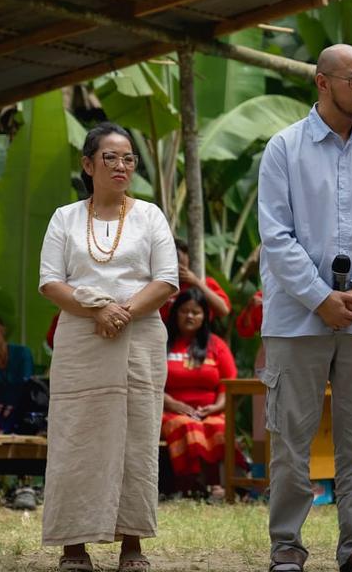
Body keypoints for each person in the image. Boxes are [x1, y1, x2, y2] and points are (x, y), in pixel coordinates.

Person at [257, 44, 352, 572]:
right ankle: (286, 546)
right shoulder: (284, 148)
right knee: (290, 438)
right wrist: (321, 298)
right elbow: (275, 237)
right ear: (322, 83)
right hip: (296, 318)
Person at [38, 122, 178, 572]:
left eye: (129, 158)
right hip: (82, 337)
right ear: (87, 164)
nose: (121, 166)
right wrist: (96, 311)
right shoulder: (64, 217)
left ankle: (132, 544)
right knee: (75, 438)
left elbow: (167, 280)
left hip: (139, 337)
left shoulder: (150, 215)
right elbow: (50, 282)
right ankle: (73, 545)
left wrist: (124, 312)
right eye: (110, 158)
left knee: (136, 437)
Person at [161, 286, 238, 498]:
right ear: (175, 312)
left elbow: (228, 383)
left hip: (209, 412)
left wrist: (217, 407)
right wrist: (171, 403)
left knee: (218, 426)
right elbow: (150, 382)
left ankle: (216, 484)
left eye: (196, 312)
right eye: (184, 310)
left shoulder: (217, 346)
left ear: (205, 316)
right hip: (169, 411)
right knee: (187, 425)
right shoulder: (161, 344)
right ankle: (188, 484)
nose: (189, 316)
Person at [159, 239, 231, 322]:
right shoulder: (158, 284)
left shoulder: (204, 282)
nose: (180, 268)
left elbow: (224, 310)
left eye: (182, 264)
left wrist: (196, 282)